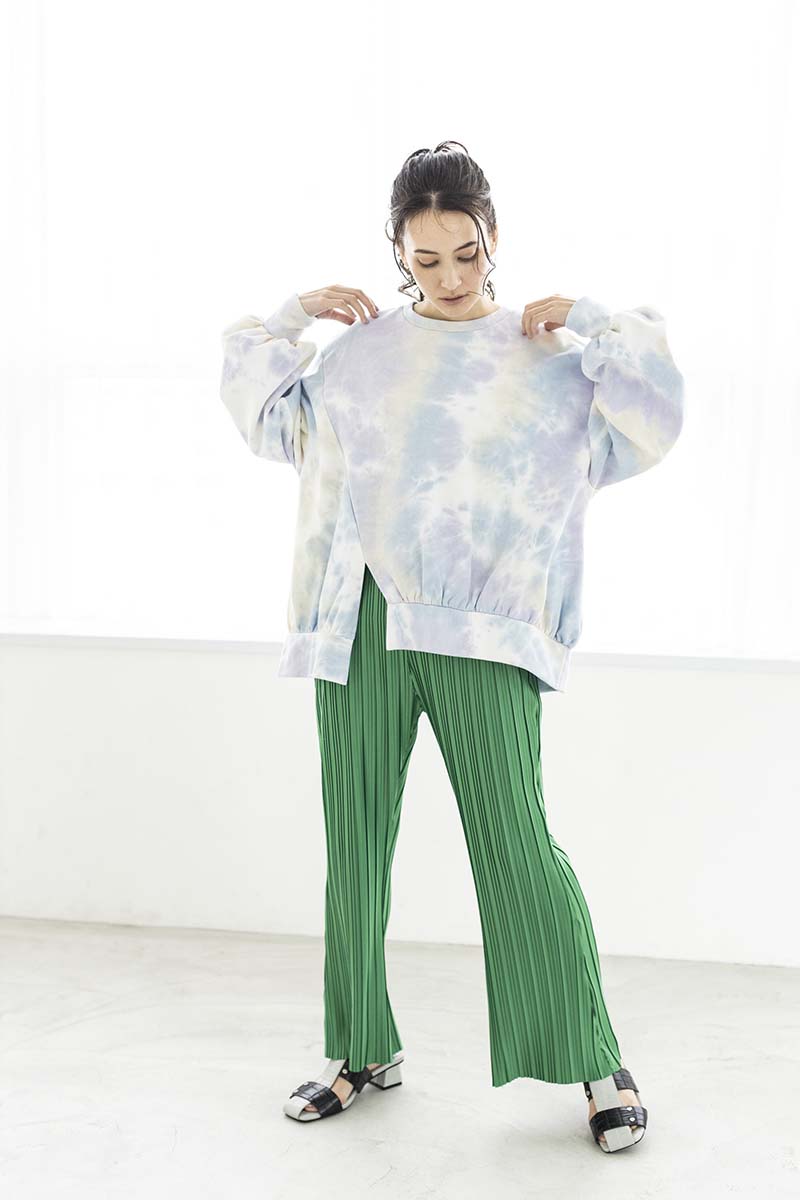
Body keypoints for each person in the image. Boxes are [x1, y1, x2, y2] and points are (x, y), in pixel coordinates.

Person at [219, 140, 684, 1153]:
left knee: (516, 844)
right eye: (424, 258)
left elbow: (650, 412)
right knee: (354, 846)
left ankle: (597, 1059)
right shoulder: (359, 356)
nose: (447, 275)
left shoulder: (542, 358)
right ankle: (360, 1049)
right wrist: (295, 312)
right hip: (359, 622)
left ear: (492, 237)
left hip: (484, 624)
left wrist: (589, 315)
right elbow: (265, 416)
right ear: (397, 252)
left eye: (465, 253)